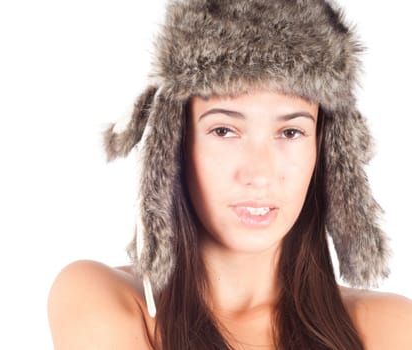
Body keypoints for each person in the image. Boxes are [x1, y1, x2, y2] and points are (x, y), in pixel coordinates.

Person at [48, 0, 412, 349]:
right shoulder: (103, 300)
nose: (259, 174)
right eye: (224, 131)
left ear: (327, 151)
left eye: (290, 132)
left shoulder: (389, 327)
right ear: (175, 141)